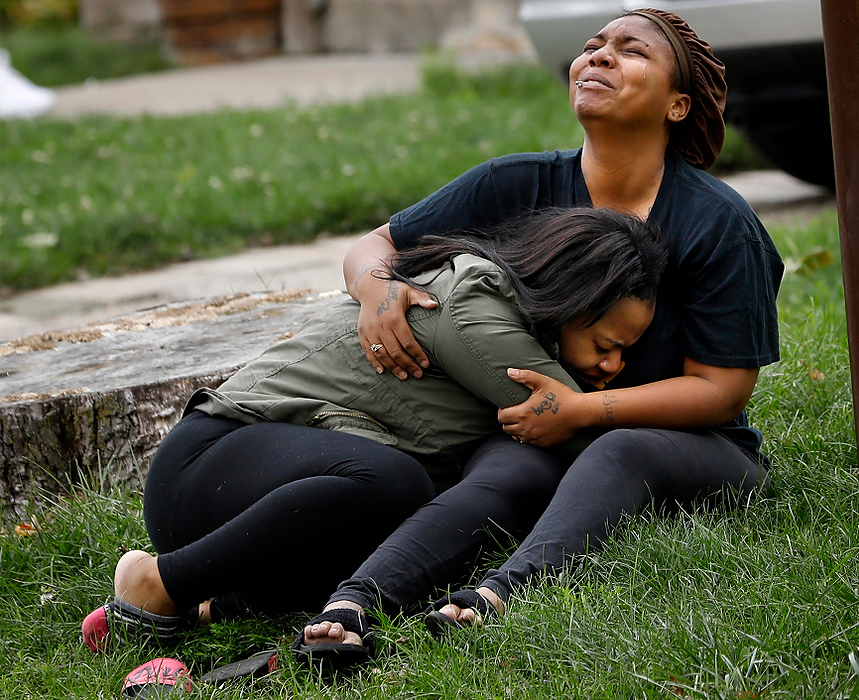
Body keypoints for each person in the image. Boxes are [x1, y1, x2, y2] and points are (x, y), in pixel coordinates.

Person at [296, 7, 783, 664]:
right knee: (503, 469)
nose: (600, 55)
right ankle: (350, 606)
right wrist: (378, 288)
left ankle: (496, 597)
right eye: (593, 45)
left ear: (677, 105)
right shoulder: (517, 183)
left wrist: (587, 410)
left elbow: (721, 391)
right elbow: (377, 245)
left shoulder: (718, 224)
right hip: (542, 427)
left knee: (619, 452)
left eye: (632, 51)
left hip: (693, 446)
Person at [81, 207, 667, 653]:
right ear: (570, 301)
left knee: (430, 536)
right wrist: (705, 439)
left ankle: (216, 604)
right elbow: (590, 436)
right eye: (606, 345)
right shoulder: (475, 307)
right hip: (209, 465)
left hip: (284, 494)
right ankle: (157, 581)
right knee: (395, 481)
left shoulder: (522, 328)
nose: (611, 369)